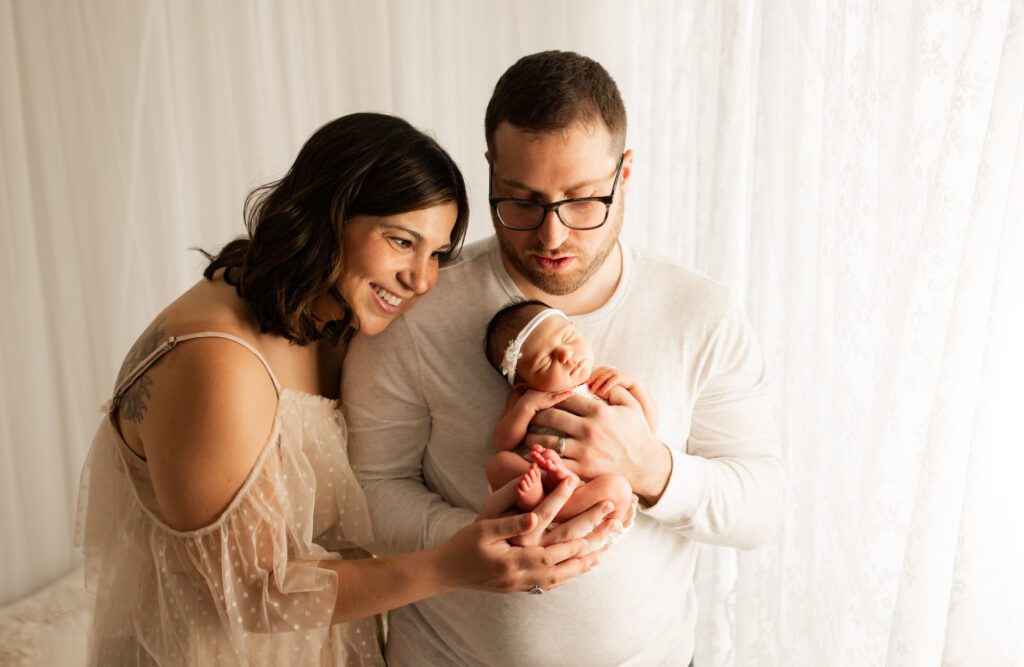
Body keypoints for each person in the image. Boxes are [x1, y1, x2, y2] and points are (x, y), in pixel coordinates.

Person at [74, 112, 617, 667]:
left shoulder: (327, 317)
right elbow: (250, 595)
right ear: (326, 215)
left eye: (436, 254)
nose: (421, 280)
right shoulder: (216, 364)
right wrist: (450, 566)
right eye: (401, 241)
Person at [343, 52, 786, 666]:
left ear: (624, 175)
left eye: (581, 201)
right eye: (522, 202)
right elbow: (368, 491)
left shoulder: (699, 313)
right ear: (491, 172)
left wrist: (650, 467)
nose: (551, 237)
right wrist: (482, 546)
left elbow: (760, 509)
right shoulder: (416, 305)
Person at [482, 298, 651, 522]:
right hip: (541, 476)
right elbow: (503, 441)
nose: (565, 355)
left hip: (589, 489)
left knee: (618, 487)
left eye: (568, 338)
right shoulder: (525, 397)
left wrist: (634, 387)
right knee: (498, 464)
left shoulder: (602, 384)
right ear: (523, 384)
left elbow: (645, 431)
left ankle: (550, 505)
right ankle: (542, 497)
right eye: (544, 361)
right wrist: (527, 406)